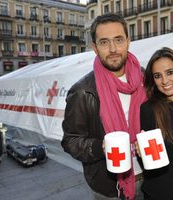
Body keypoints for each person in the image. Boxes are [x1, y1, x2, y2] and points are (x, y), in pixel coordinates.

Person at [61, 13, 146, 200]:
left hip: (151, 178)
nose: (113, 48)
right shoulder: (83, 91)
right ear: (95, 47)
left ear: (128, 42)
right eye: (105, 42)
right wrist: (101, 147)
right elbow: (70, 141)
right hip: (109, 188)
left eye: (118, 40)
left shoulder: (145, 78)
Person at [140, 47, 173, 200]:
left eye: (170, 73)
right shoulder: (148, 110)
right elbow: (152, 163)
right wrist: (142, 154)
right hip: (160, 192)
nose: (165, 81)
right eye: (158, 76)